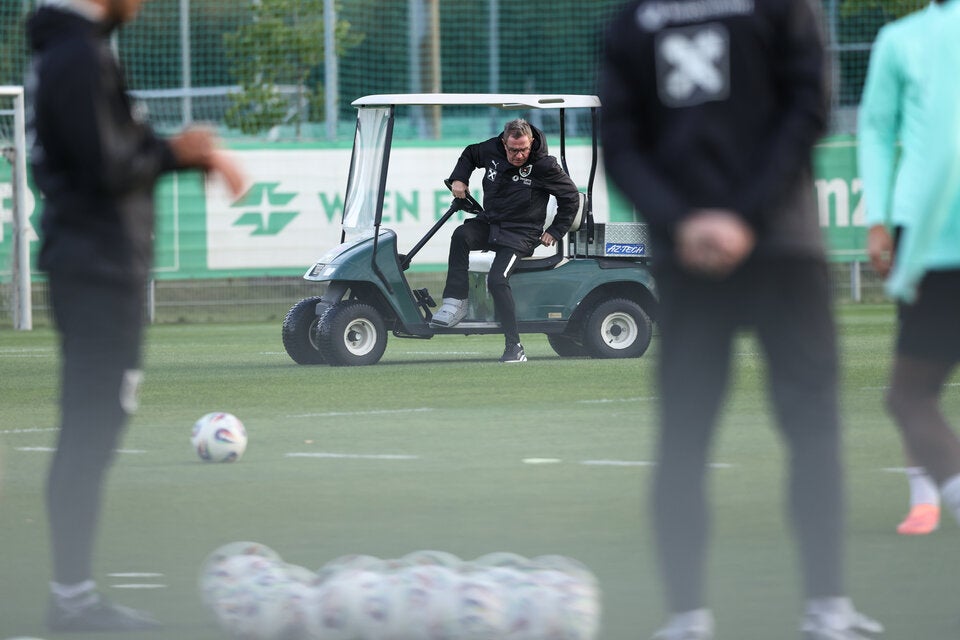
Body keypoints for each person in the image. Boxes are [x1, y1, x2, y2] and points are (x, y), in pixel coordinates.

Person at [600, 1, 883, 638]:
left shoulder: (633, 16)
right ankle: (824, 610)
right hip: (779, 241)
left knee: (688, 435)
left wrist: (685, 223)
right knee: (801, 429)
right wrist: (743, 217)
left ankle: (689, 618)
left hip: (704, 252)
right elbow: (809, 104)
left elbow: (620, 141)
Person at [26, 0, 246, 632]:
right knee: (89, 433)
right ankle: (70, 602)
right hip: (96, 274)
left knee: (93, 431)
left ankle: (72, 597)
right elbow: (108, 167)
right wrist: (184, 154)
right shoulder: (78, 55)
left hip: (97, 270)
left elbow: (117, 148)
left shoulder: (73, 50)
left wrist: (176, 149)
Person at [858, 0, 960, 537]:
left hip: (929, 239)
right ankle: (924, 497)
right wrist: (877, 218)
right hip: (926, 236)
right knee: (916, 387)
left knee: (910, 393)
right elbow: (875, 129)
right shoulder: (900, 40)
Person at [429, 118, 580, 363]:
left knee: (497, 279)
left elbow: (571, 197)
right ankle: (455, 302)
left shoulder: (544, 165)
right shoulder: (491, 149)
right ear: (503, 143)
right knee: (460, 236)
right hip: (491, 223)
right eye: (513, 150)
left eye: (523, 149)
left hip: (521, 233)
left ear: (531, 142)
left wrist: (556, 229)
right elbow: (469, 154)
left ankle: (515, 346)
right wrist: (459, 179)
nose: (519, 155)